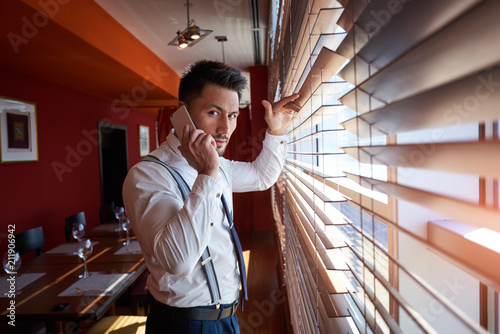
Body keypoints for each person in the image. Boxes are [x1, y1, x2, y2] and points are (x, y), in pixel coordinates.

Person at [122, 59, 299, 333]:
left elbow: (262, 177)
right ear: (184, 113)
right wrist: (206, 173)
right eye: (214, 112)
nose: (225, 129)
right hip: (183, 323)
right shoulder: (148, 176)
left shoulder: (220, 166)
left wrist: (276, 130)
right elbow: (179, 262)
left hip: (228, 316)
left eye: (232, 115)